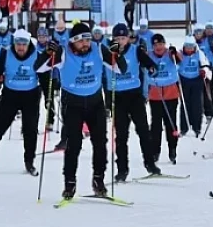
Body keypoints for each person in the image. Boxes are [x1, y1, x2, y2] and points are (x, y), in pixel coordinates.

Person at [36, 22, 127, 200]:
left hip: (95, 103)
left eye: (87, 39)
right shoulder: (63, 52)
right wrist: (47, 52)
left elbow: (119, 68)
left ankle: (98, 181)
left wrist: (117, 53)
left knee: (100, 144)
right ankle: (69, 184)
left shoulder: (99, 49)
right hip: (72, 104)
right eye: (80, 41)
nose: (85, 43)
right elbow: (38, 68)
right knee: (73, 145)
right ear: (72, 42)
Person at [0, 29, 47, 175]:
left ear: (28, 44)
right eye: (18, 44)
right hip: (10, 96)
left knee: (30, 130)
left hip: (31, 96)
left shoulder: (37, 55)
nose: (21, 47)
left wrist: (48, 98)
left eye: (24, 44)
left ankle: (29, 161)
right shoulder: (6, 54)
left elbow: (45, 78)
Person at [106, 23, 161, 180]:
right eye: (118, 38)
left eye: (124, 38)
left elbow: (149, 63)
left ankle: (150, 163)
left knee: (143, 131)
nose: (121, 41)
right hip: (118, 96)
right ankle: (122, 169)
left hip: (134, 96)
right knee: (121, 135)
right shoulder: (108, 52)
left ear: (128, 38)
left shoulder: (135, 50)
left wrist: (152, 68)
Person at [146, 33, 181, 164]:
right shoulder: (149, 55)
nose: (158, 47)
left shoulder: (169, 54)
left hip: (170, 93)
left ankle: (173, 149)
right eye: (156, 45)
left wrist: (175, 52)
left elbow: (179, 59)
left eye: (161, 44)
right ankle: (155, 151)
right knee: (155, 125)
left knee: (171, 123)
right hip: (155, 95)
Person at [178, 37, 212, 136]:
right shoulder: (180, 54)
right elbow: (175, 65)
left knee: (197, 104)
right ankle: (184, 127)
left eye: (191, 47)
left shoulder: (199, 53)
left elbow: (206, 65)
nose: (189, 49)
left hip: (196, 81)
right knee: (185, 104)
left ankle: (197, 127)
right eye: (187, 47)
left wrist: (204, 71)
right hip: (184, 80)